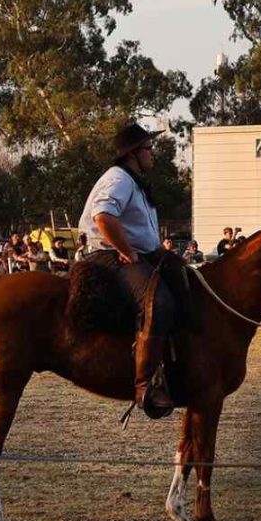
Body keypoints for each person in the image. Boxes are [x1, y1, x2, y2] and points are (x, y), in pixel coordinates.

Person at [78, 123, 179, 419]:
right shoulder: (119, 178)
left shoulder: (134, 181)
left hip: (139, 253)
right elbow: (104, 216)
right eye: (149, 149)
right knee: (157, 301)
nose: (153, 155)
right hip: (107, 255)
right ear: (133, 154)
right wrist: (126, 251)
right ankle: (145, 384)